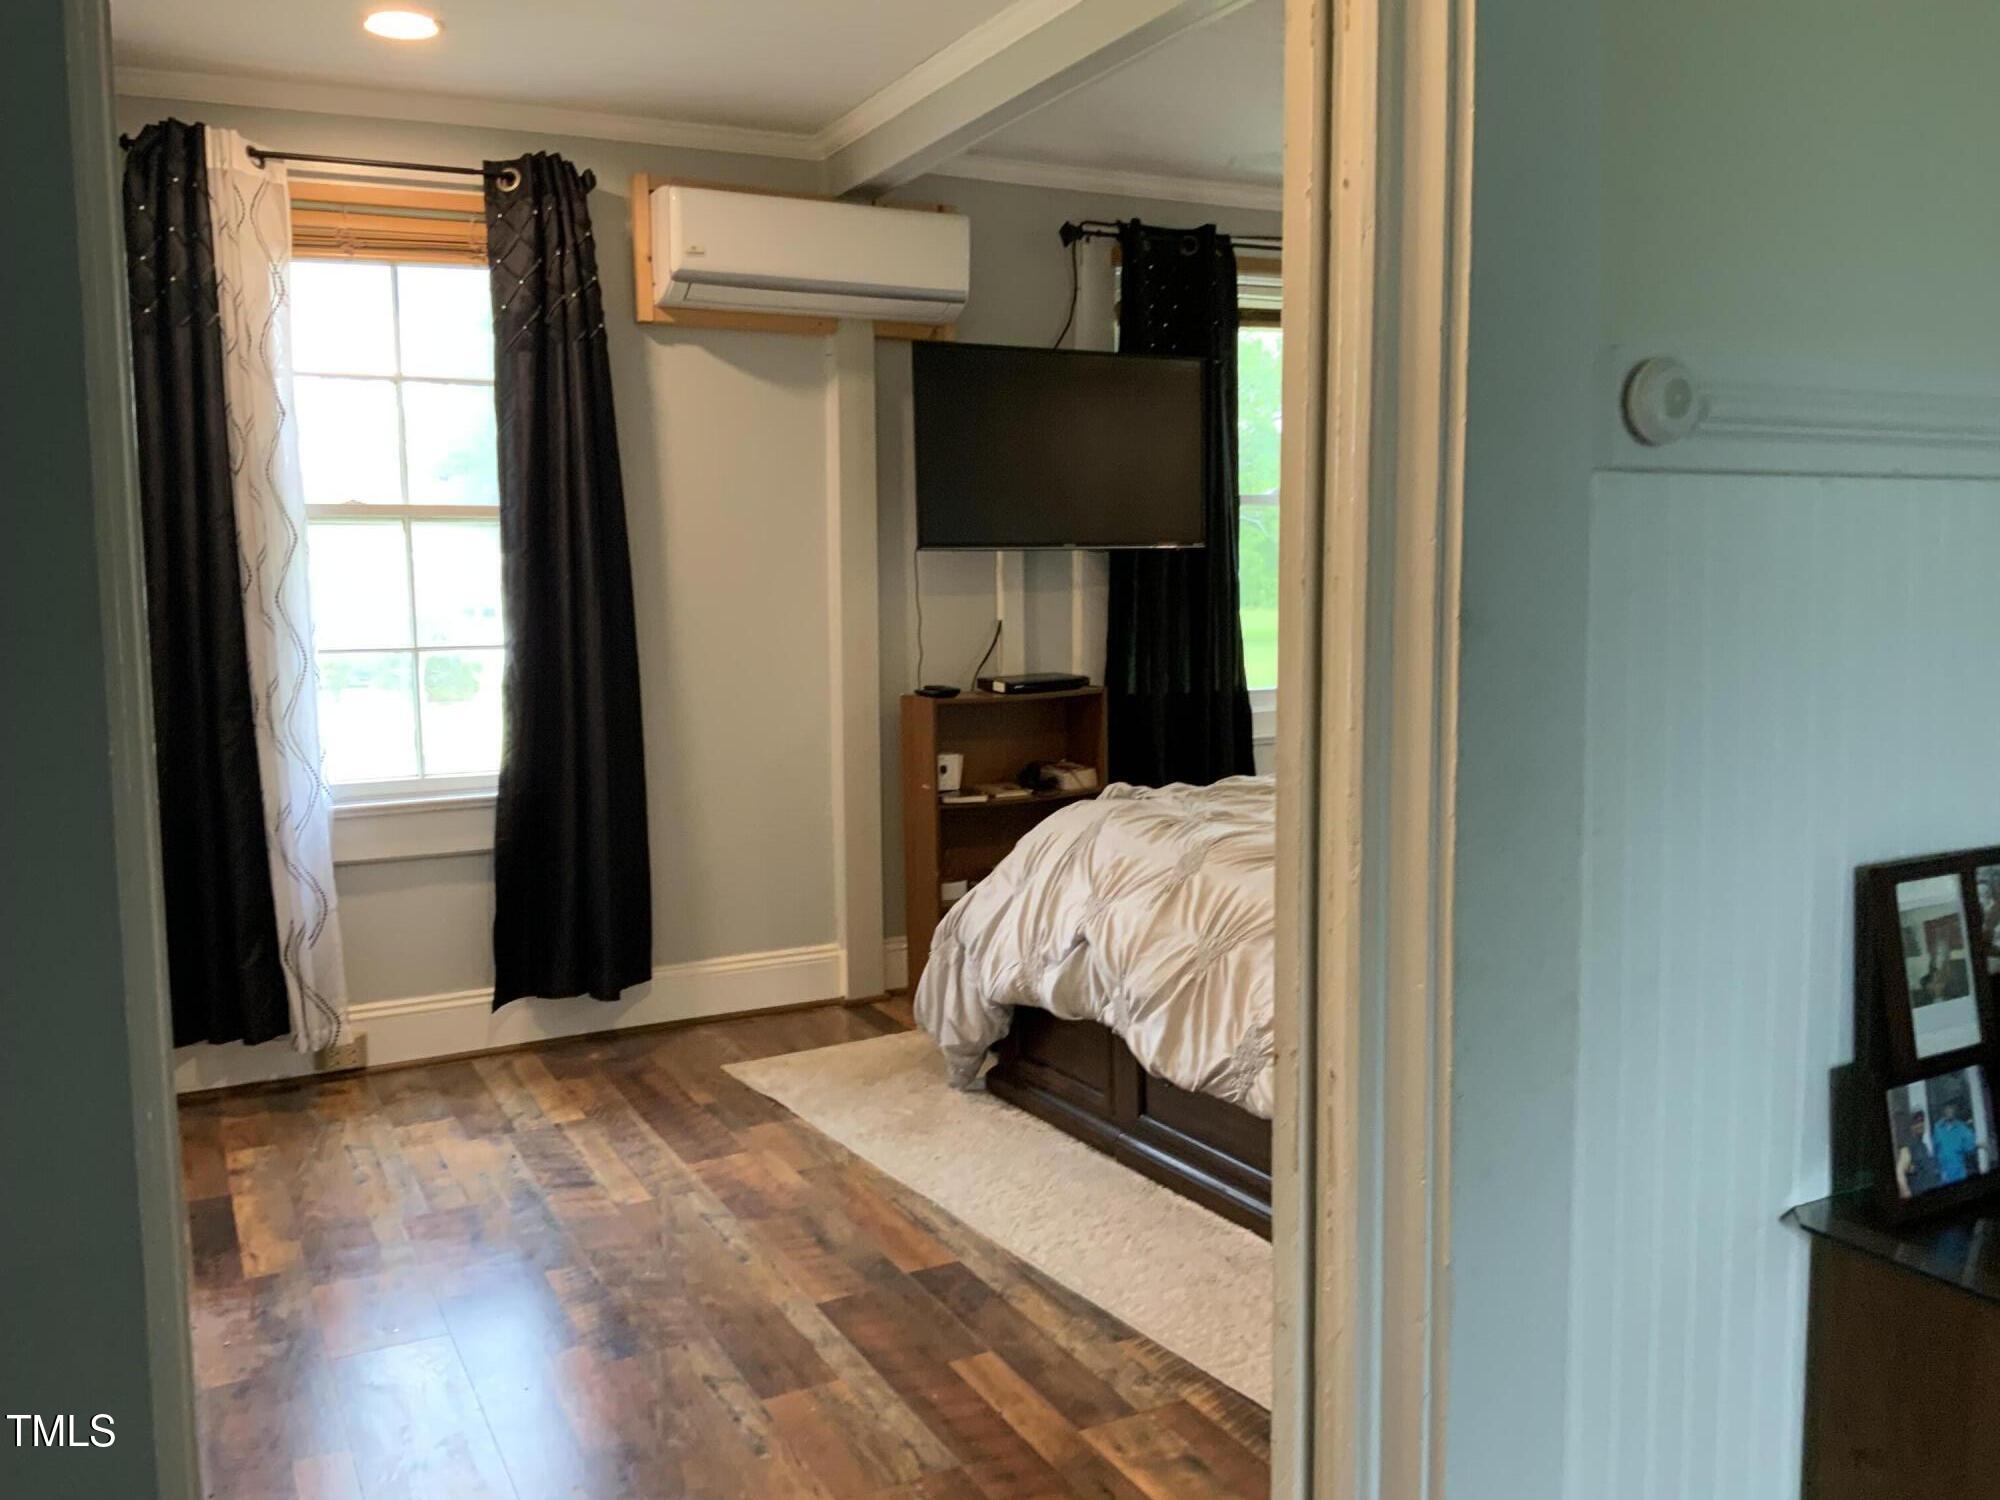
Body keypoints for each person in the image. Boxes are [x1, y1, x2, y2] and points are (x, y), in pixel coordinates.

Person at [1933, 1100, 1981, 1185]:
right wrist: (1936, 1169)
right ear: (1943, 1110)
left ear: (1954, 1110)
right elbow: (1935, 1150)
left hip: (1959, 1173)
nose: (1949, 1110)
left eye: (1951, 1108)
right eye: (1947, 1108)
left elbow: (1970, 1148)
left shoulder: (1962, 1128)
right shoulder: (1937, 1128)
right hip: (1942, 1175)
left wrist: (1979, 1145)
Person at [1913, 937, 1971, 1007]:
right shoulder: (1925, 981)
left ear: (1947, 957)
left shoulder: (1955, 979)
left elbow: (1959, 999)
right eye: (1935, 954)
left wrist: (1942, 990)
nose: (1938, 957)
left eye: (1942, 954)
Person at [1898, 1109, 1942, 1198]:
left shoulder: (1923, 1145)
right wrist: (1907, 1193)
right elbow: (1899, 1173)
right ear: (1911, 1126)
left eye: (1921, 1121)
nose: (1920, 1124)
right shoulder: (1908, 1147)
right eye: (1916, 1122)